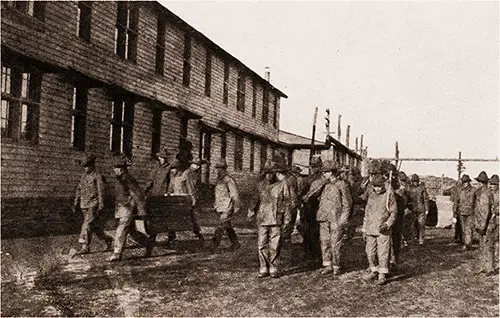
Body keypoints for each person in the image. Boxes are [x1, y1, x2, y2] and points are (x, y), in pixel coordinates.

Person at [248, 160, 291, 278]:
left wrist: (287, 217)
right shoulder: (260, 185)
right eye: (267, 173)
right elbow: (254, 199)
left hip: (277, 218)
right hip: (262, 217)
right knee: (261, 243)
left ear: (276, 173)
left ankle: (273, 267)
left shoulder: (282, 185)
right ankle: (263, 267)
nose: (269, 175)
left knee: (275, 244)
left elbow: (287, 202)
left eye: (272, 173)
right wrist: (251, 211)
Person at [108, 156, 155, 262]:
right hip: (122, 208)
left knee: (121, 229)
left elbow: (137, 195)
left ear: (121, 169)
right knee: (132, 232)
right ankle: (149, 243)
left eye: (115, 168)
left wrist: (142, 210)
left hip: (128, 208)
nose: (114, 170)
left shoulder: (127, 179)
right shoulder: (120, 179)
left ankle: (117, 253)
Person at [361, 160, 397, 285]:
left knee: (383, 252)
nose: (377, 189)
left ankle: (382, 274)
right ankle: (373, 270)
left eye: (379, 187)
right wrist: (364, 229)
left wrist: (387, 224)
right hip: (371, 228)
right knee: (369, 252)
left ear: (383, 185)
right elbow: (367, 212)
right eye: (374, 187)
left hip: (383, 230)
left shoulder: (389, 194)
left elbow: (393, 213)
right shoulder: (370, 194)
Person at [316, 160, 352, 275]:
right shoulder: (323, 185)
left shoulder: (342, 184)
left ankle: (336, 266)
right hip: (323, 217)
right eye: (324, 172)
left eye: (326, 172)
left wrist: (343, 219)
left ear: (332, 172)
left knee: (335, 243)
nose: (324, 174)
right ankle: (327, 265)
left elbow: (347, 203)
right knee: (324, 242)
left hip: (336, 218)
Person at [72, 154, 113, 254]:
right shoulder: (83, 177)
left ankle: (84, 245)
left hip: (93, 204)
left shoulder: (97, 176)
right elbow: (79, 190)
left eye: (87, 166)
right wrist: (75, 202)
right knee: (94, 227)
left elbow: (101, 191)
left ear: (92, 165)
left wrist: (101, 204)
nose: (85, 168)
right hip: (84, 204)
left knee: (87, 224)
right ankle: (108, 239)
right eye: (84, 166)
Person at [166, 158, 203, 245]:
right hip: (180, 199)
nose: (173, 170)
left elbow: (191, 187)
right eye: (195, 164)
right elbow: (172, 187)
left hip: (185, 198)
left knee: (191, 216)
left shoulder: (188, 174)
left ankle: (199, 235)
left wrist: (192, 198)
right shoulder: (186, 174)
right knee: (177, 217)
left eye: (198, 165)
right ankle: (172, 236)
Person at [212, 158, 241, 250]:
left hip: (228, 207)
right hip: (221, 206)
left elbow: (235, 194)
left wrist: (236, 206)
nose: (217, 170)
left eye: (219, 168)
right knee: (227, 226)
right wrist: (215, 204)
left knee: (221, 225)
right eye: (217, 168)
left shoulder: (229, 180)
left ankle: (214, 245)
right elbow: (218, 194)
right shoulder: (219, 180)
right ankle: (236, 243)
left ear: (224, 169)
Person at [301, 156, 324, 264]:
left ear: (321, 167)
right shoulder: (307, 180)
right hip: (308, 208)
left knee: (316, 233)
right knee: (306, 232)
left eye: (317, 167)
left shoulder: (324, 180)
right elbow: (301, 194)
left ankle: (317, 255)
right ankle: (308, 254)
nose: (315, 169)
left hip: (319, 208)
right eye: (313, 167)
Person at [473, 171, 496, 276]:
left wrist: (481, 226)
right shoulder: (483, 193)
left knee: (488, 246)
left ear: (482, 183)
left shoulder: (485, 194)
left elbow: (485, 212)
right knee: (483, 247)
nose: (477, 184)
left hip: (486, 225)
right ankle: (484, 267)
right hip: (483, 224)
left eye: (479, 182)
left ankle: (490, 268)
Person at [453, 174, 476, 250]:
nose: (465, 183)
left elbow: (477, 202)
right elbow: (456, 202)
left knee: (469, 229)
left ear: (469, 182)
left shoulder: (474, 190)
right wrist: (454, 213)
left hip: (471, 213)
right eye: (464, 182)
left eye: (466, 182)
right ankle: (466, 243)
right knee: (463, 229)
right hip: (461, 213)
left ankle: (467, 244)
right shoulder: (459, 191)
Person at [391, 169, 409, 265]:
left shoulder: (401, 189)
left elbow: (404, 202)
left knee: (396, 237)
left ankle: (395, 258)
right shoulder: (386, 185)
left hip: (398, 216)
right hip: (387, 216)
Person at [407, 174, 429, 245]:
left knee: (421, 225)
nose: (415, 183)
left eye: (416, 181)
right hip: (412, 209)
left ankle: (421, 239)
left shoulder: (422, 188)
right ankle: (414, 238)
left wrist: (427, 209)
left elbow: (426, 198)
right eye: (414, 181)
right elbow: (407, 199)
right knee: (413, 225)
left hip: (421, 209)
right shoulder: (409, 188)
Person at [488, 174, 499, 269]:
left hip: (498, 219)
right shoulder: (490, 194)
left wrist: (495, 211)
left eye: (493, 184)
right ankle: (494, 257)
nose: (491, 186)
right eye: (490, 184)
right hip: (492, 221)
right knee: (493, 239)